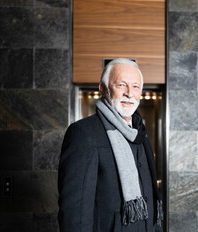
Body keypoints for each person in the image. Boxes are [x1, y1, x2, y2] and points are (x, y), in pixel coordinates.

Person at [58, 58, 163, 231]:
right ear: (103, 88)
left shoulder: (141, 134)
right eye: (121, 85)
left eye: (135, 86)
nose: (129, 93)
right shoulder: (84, 133)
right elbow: (74, 213)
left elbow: (151, 202)